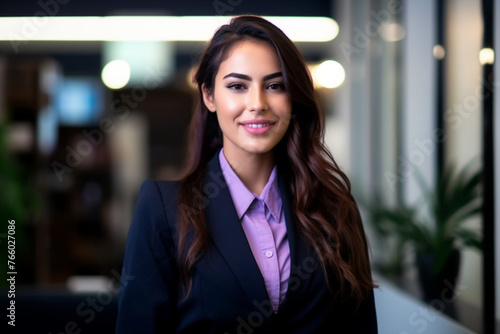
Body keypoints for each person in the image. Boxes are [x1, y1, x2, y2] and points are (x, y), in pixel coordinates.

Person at [116, 15, 378, 333]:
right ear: (209, 96)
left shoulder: (335, 208)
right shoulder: (163, 209)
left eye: (275, 86)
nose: (257, 103)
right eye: (238, 86)